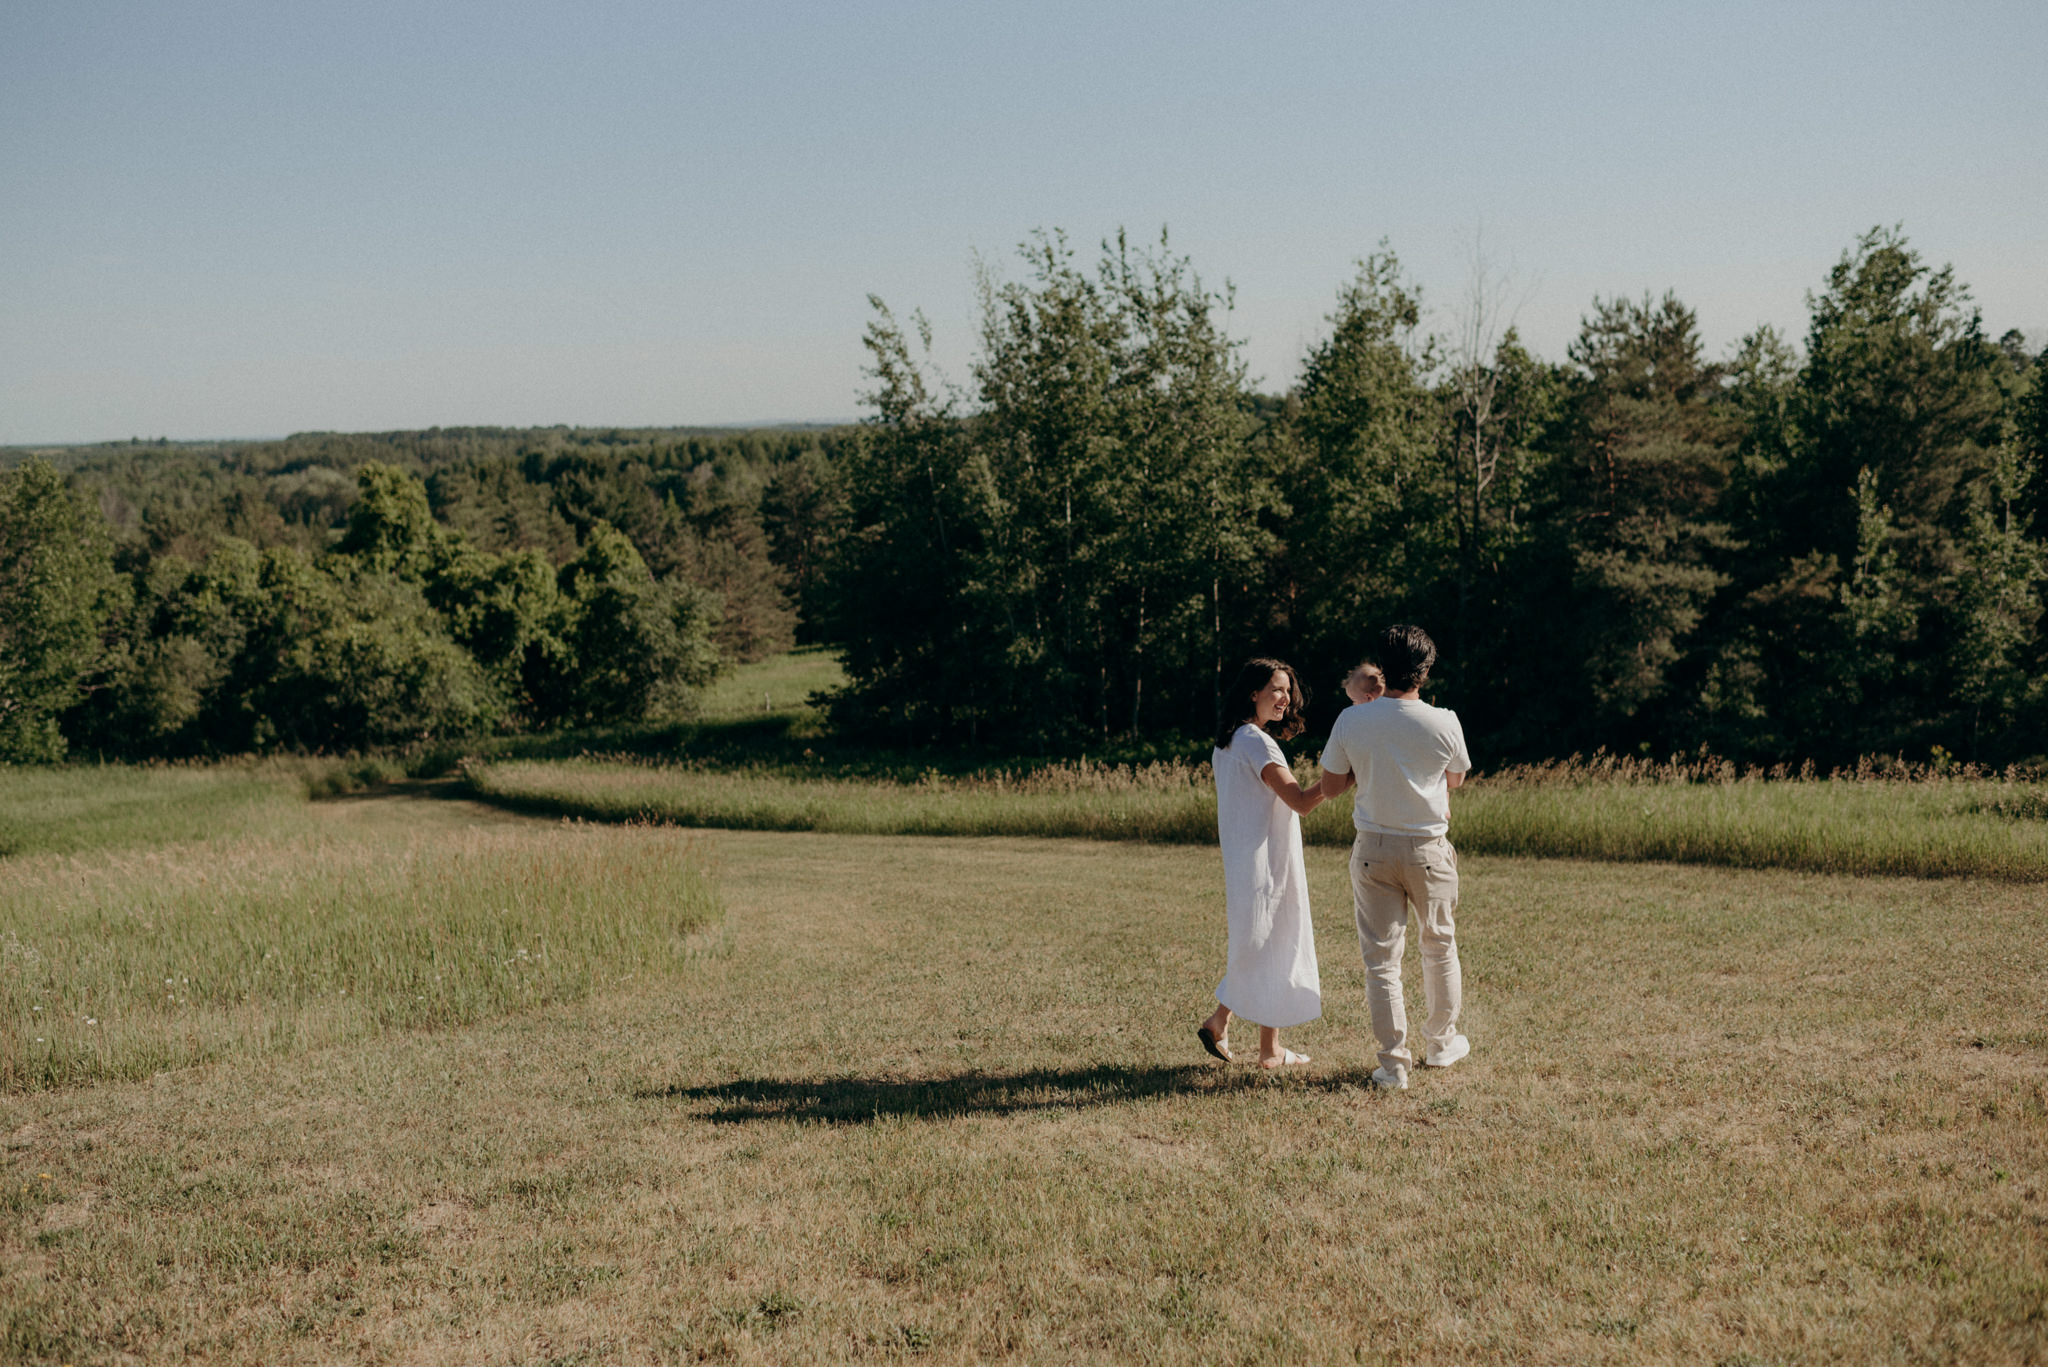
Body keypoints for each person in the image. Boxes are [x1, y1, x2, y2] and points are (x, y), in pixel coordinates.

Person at [1318, 625, 1471, 1090]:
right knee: (1439, 946)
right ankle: (1441, 1044)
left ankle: (1392, 1066)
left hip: (1373, 850)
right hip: (1428, 849)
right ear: (1425, 671)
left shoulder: (1351, 720)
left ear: (1382, 667)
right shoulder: (1445, 720)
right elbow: (1456, 779)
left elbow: (1328, 786)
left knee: (1382, 962)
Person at [1198, 657, 1328, 1069]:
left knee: (1263, 945)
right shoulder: (1256, 741)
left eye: (1288, 691)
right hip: (1269, 862)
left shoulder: (1230, 741)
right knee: (1273, 943)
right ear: (1252, 692)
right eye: (1276, 688)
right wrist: (1342, 776)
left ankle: (1230, 1028)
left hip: (1245, 861)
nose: (1285, 698)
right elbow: (1301, 802)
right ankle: (1262, 1047)